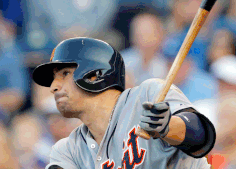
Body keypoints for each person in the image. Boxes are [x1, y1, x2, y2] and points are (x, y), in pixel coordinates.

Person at [32, 37, 216, 169]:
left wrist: (168, 127)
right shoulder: (68, 151)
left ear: (94, 75)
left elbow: (201, 136)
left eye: (64, 74)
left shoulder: (147, 95)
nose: (53, 87)